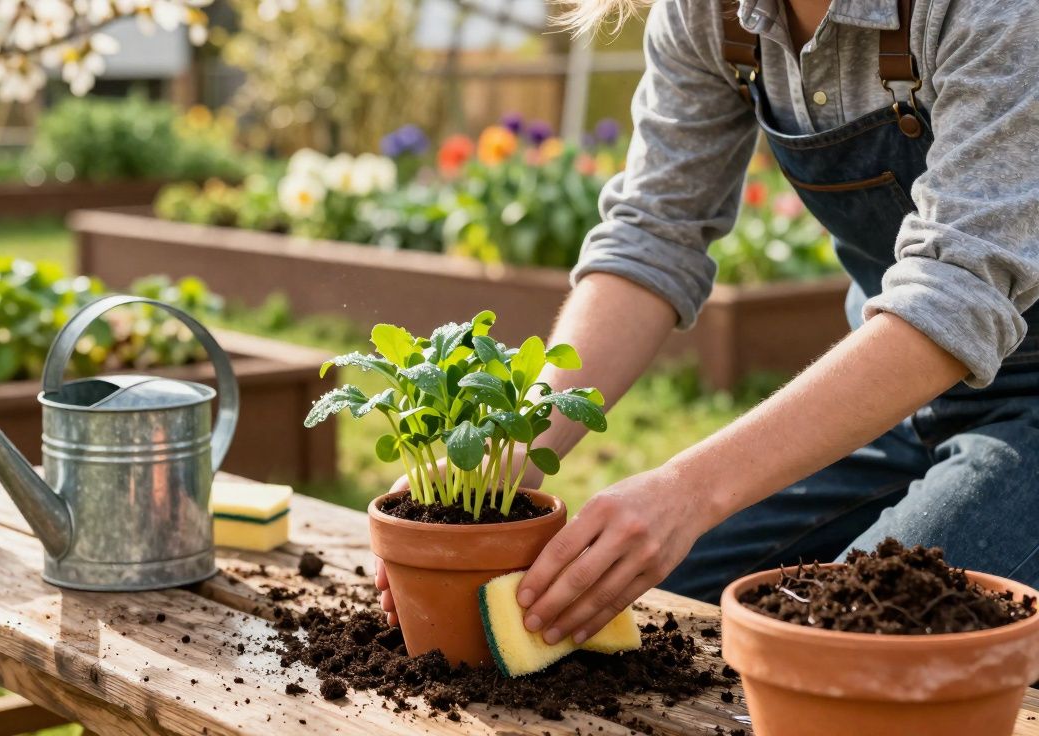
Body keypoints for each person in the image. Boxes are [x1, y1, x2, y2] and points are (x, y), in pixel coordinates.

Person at [377, 0, 1039, 647]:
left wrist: (687, 493)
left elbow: (957, 293)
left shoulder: (993, 13)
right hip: (895, 408)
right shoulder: (713, 14)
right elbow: (653, 235)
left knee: (832, 645)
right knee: (649, 604)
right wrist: (514, 441)